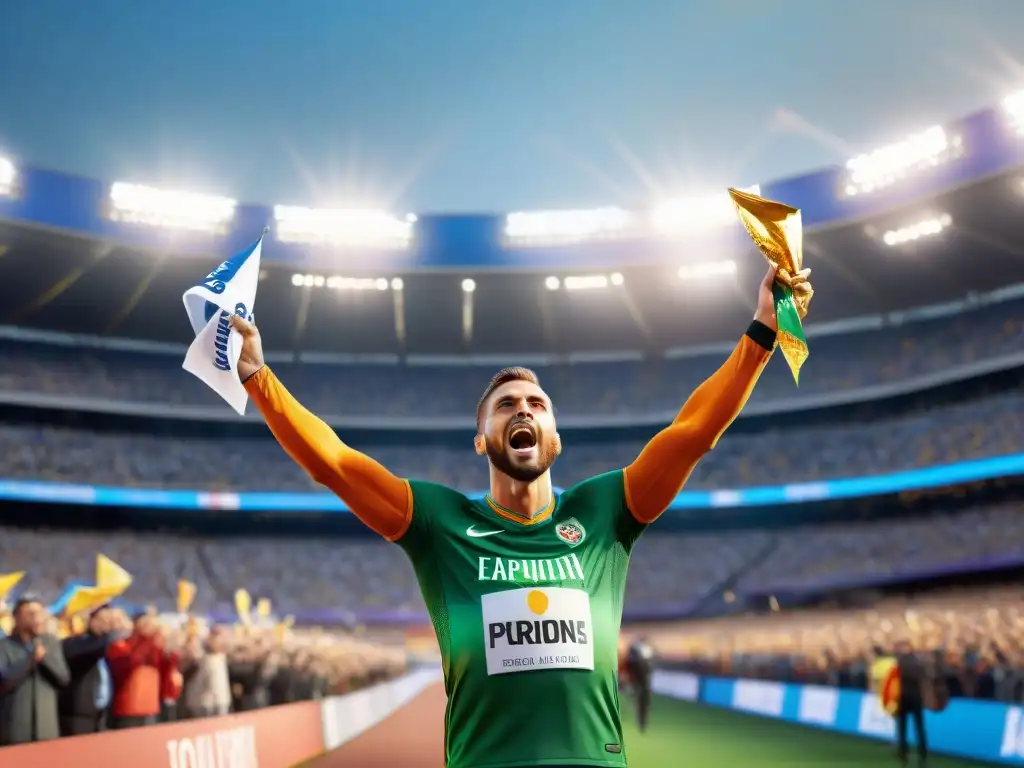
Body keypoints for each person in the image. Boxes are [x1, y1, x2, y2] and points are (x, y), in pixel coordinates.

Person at [230, 264, 812, 768]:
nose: (523, 410)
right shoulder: (440, 521)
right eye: (505, 405)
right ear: (482, 440)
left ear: (555, 436)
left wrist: (762, 328)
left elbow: (692, 433)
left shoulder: (606, 510)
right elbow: (335, 463)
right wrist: (259, 377)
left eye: (537, 404)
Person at [0, 595, 70, 745]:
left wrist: (44, 659)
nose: (36, 618)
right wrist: (30, 660)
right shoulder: (4, 646)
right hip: (16, 730)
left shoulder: (50, 642)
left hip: (46, 729)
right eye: (30, 614)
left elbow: (63, 679)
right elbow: (5, 681)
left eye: (39, 613)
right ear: (16, 618)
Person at [58, 605, 126, 736]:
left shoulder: (107, 648)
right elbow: (93, 648)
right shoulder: (74, 643)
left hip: (101, 715)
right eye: (103, 620)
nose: (107, 625)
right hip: (77, 714)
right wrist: (116, 631)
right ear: (91, 621)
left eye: (109, 621)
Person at [894, 639, 928, 767]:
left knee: (902, 727)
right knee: (919, 727)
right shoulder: (919, 662)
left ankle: (903, 752)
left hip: (903, 697)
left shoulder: (899, 662)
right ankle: (923, 752)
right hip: (916, 697)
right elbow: (924, 678)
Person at [625, 638, 655, 733]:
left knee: (642, 700)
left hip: (640, 683)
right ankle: (641, 722)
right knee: (642, 700)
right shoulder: (641, 654)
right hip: (640, 682)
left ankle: (641, 722)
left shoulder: (638, 654)